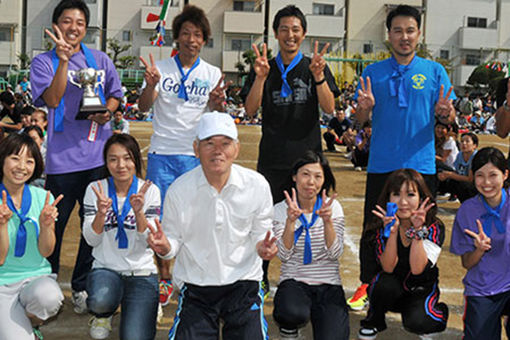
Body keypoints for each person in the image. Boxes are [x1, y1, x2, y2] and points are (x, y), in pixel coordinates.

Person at [349, 4, 456, 310]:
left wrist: (444, 112)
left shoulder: (434, 71)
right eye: (398, 31)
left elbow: (447, 115)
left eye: (410, 30)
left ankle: (422, 285)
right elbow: (359, 120)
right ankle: (367, 284)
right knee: (375, 227)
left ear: (419, 34)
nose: (404, 37)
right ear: (389, 35)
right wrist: (365, 108)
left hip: (421, 166)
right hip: (382, 165)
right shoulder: (372, 72)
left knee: (423, 227)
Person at [147, 112, 277, 340]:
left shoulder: (256, 185)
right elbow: (172, 244)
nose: (218, 150)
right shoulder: (180, 189)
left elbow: (260, 233)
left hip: (243, 284)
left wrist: (262, 249)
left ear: (236, 149)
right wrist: (164, 246)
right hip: (197, 286)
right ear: (196, 148)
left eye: (225, 143)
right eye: (209, 143)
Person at [30, 0, 122, 314]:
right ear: (56, 25)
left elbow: (115, 94)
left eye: (80, 22)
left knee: (92, 227)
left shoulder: (99, 59)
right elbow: (53, 99)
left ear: (86, 28)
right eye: (67, 21)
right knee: (54, 224)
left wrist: (106, 112)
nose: (74, 27)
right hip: (62, 161)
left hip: (98, 159)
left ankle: (82, 283)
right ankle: (48, 279)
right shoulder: (43, 62)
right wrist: (64, 61)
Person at [240, 5, 340, 294]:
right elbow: (249, 110)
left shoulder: (314, 66)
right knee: (267, 220)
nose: (290, 35)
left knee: (312, 221)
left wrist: (319, 76)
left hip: (308, 162)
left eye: (295, 29)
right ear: (275, 34)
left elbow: (330, 108)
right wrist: (260, 78)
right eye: (283, 29)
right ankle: (261, 276)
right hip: (272, 158)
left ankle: (308, 277)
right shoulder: (264, 66)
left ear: (304, 34)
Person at [138, 4, 227, 306]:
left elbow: (217, 114)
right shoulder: (160, 68)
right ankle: (164, 277)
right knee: (158, 220)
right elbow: (142, 107)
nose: (191, 39)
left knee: (196, 219)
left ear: (205, 39)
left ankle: (190, 275)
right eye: (186, 33)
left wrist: (217, 103)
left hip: (195, 157)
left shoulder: (213, 73)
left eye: (198, 34)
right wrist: (150, 86)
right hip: (162, 153)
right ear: (177, 38)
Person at [83, 134, 160, 339]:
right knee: (101, 298)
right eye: (113, 159)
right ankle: (104, 314)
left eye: (127, 158)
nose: (121, 165)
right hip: (105, 270)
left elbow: (148, 242)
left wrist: (139, 212)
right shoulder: (95, 189)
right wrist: (100, 213)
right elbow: (92, 240)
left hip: (141, 272)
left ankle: (149, 306)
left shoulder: (150, 190)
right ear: (106, 162)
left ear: (136, 160)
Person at [358, 169, 448, 339]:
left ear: (421, 198)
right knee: (381, 283)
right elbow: (388, 267)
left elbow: (417, 269)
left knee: (418, 323)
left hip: (420, 288)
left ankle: (438, 311)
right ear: (388, 198)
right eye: (396, 194)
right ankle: (373, 320)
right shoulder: (380, 224)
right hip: (393, 287)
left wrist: (418, 231)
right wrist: (392, 233)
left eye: (411, 194)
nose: (403, 202)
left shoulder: (434, 227)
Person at [272, 151, 349, 340]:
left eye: (317, 176)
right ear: (294, 176)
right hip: (294, 280)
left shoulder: (332, 207)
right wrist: (290, 222)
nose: (311, 182)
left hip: (328, 284)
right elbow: (283, 255)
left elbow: (335, 253)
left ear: (324, 180)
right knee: (292, 312)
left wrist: (328, 222)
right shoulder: (280, 209)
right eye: (305, 174)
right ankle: (289, 328)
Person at [0, 133, 64, 340]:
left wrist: (46, 226)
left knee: (50, 296)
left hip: (34, 278)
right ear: (2, 159)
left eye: (29, 160)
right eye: (15, 158)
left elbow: (46, 251)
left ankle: (30, 321)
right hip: (2, 283)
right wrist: (1, 225)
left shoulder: (42, 197)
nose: (22, 166)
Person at [450, 147, 510, 340]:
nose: (487, 182)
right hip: (483, 288)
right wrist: (479, 250)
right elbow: (466, 263)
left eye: (493, 175)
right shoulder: (467, 211)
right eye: (480, 175)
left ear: (505, 174)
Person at [437, 132, 478, 203]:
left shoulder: (476, 157)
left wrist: (450, 175)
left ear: (475, 145)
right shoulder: (460, 155)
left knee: (461, 184)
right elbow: (458, 172)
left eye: (467, 141)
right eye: (462, 141)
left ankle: (470, 203)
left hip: (475, 186)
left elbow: (470, 179)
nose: (464, 143)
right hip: (463, 180)